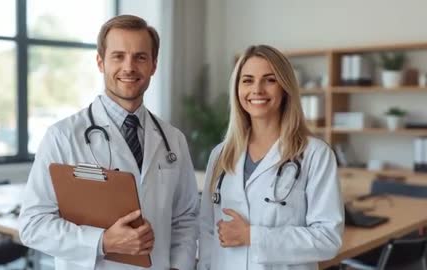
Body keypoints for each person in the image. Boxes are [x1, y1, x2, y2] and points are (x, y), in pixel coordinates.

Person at [19, 15, 198, 270]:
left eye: (140, 57)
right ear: (100, 62)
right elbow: (32, 225)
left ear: (154, 65)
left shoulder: (173, 140)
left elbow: (185, 218)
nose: (129, 67)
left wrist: (179, 267)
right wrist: (102, 242)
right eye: (118, 56)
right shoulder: (63, 136)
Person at [197, 45, 343, 270]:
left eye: (269, 80)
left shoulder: (315, 154)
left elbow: (328, 239)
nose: (257, 89)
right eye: (247, 80)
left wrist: (253, 236)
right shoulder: (221, 154)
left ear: (285, 88)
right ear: (237, 89)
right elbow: (206, 230)